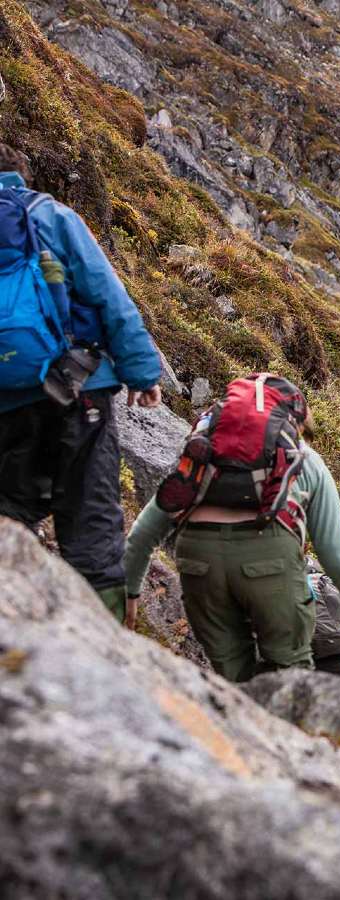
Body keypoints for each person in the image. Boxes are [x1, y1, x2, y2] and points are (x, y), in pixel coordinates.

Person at [123, 374, 340, 682]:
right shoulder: (304, 457)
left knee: (233, 678)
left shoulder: (202, 451)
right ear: (295, 419)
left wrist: (129, 592)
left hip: (198, 560)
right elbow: (333, 548)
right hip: (269, 559)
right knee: (291, 674)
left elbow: (144, 533)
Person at [0, 143, 162, 628]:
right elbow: (107, 295)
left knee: (10, 511)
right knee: (90, 515)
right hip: (78, 388)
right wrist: (142, 371)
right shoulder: (49, 216)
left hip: (6, 401)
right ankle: (106, 639)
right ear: (20, 178)